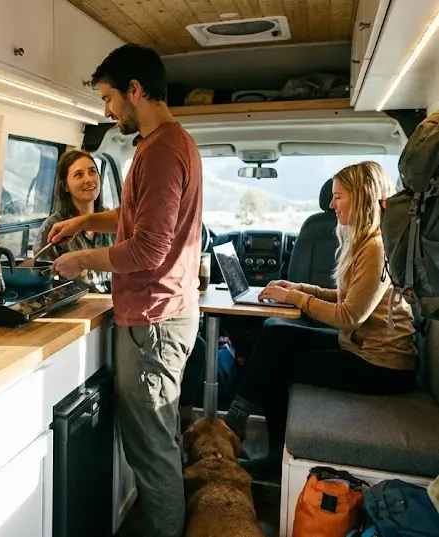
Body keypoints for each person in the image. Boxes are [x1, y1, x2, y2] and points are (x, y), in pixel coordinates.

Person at [49, 44, 203, 537]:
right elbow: (135, 218)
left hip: (154, 320)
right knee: (159, 443)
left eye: (109, 98)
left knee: (152, 454)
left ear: (135, 91)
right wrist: (84, 220)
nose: (107, 110)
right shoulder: (167, 144)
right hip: (166, 312)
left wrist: (78, 259)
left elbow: (148, 251)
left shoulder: (160, 152)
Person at [223, 161, 419, 477]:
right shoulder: (362, 241)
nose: (330, 204)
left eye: (339, 196)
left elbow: (349, 315)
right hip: (358, 347)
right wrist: (298, 287)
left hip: (382, 367)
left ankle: (268, 455)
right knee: (275, 330)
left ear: (362, 197)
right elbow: (346, 298)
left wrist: (298, 299)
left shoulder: (376, 247)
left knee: (284, 368)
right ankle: (237, 415)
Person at [33, 149, 114, 293]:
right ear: (65, 186)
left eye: (92, 171)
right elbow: (43, 280)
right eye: (79, 175)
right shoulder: (53, 227)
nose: (89, 179)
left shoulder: (110, 219)